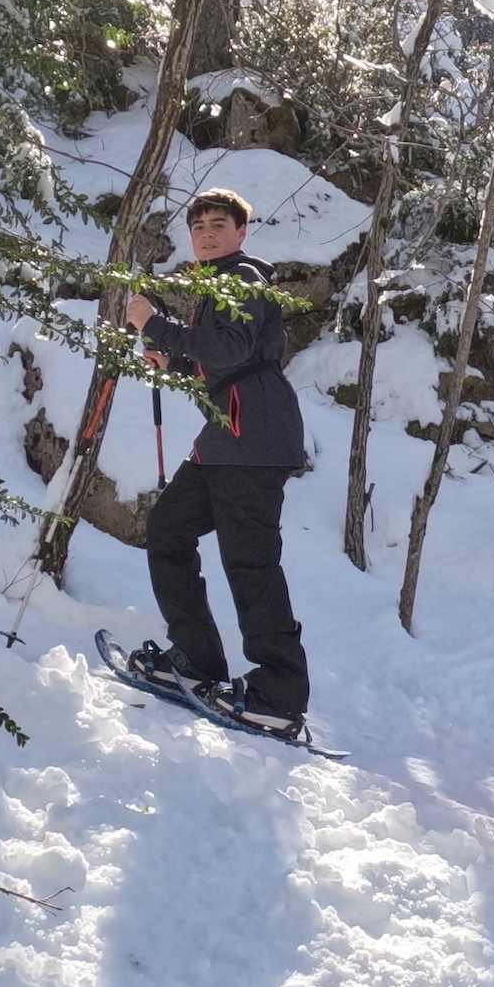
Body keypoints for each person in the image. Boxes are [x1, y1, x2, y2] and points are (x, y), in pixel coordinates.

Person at [121, 188, 311, 738]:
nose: (206, 233)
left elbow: (228, 352)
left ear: (241, 232)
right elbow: (223, 359)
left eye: (218, 224)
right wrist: (175, 359)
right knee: (168, 529)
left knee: (250, 563)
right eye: (198, 225)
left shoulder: (244, 279)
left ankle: (278, 694)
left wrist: (154, 325)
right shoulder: (215, 285)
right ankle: (199, 658)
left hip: (253, 439)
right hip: (227, 440)